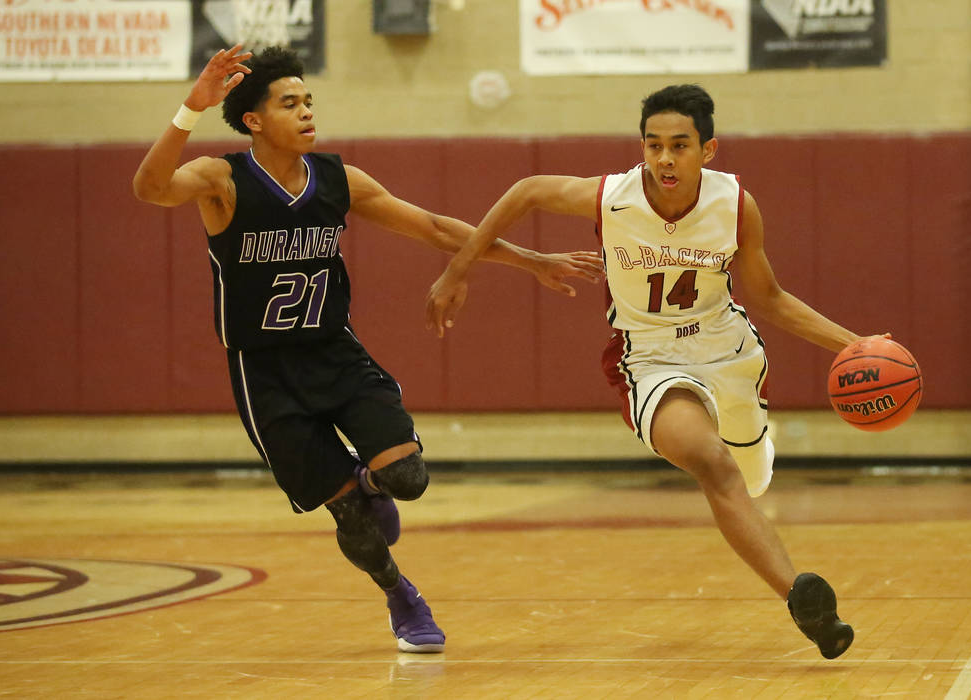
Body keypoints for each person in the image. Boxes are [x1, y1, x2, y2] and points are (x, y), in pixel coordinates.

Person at [132, 45, 602, 653]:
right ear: (253, 120)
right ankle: (400, 596)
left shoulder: (338, 179)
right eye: (289, 104)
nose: (306, 113)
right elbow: (148, 188)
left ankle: (370, 482)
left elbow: (433, 226)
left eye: (309, 101)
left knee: (406, 477)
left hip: (335, 353)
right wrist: (190, 108)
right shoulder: (220, 180)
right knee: (350, 517)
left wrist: (531, 261)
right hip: (264, 371)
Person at [425, 84, 879, 659]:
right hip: (650, 357)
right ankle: (801, 597)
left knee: (751, 472)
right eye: (653, 144)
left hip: (729, 352)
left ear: (708, 151)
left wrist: (854, 344)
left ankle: (752, 449)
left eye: (679, 146)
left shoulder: (736, 204)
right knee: (712, 463)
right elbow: (527, 192)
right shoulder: (611, 198)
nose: (664, 159)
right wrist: (459, 269)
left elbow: (772, 297)